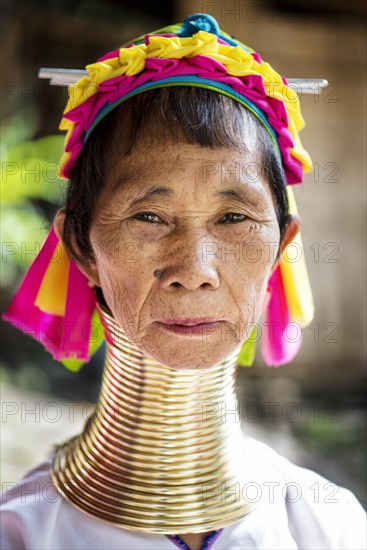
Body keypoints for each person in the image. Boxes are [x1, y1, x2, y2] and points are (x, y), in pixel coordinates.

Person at [1, 13, 366, 550]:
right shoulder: (23, 533)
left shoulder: (329, 525)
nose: (194, 269)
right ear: (81, 246)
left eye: (234, 218)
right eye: (149, 217)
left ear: (282, 248)